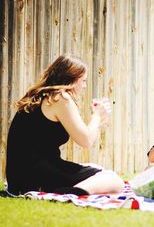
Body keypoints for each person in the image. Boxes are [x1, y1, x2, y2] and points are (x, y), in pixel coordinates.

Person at [6, 55, 125, 196]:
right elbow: (86, 140)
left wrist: (98, 120)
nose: (85, 86)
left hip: (19, 178)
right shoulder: (60, 98)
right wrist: (97, 115)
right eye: (83, 81)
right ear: (72, 79)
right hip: (34, 177)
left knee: (95, 167)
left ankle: (68, 189)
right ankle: (68, 193)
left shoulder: (43, 96)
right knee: (114, 181)